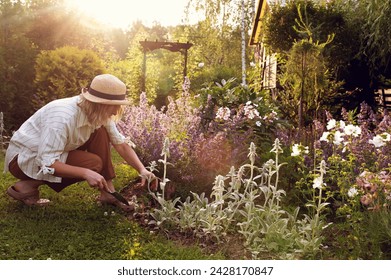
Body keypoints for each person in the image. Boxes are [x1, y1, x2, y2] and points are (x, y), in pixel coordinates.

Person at [4, 74, 154, 211]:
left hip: (50, 152)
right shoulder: (62, 118)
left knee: (101, 132)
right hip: (23, 159)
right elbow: (47, 162)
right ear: (100, 104)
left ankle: (108, 193)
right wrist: (85, 173)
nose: (116, 112)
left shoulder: (96, 113)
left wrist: (142, 169)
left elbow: (120, 143)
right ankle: (27, 186)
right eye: (113, 105)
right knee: (93, 164)